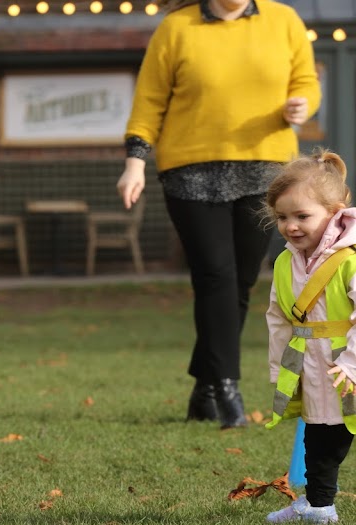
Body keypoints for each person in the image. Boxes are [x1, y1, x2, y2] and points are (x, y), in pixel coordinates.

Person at [116, 0, 321, 429]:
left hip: (266, 168)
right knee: (216, 276)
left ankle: (204, 386)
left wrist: (303, 104)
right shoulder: (177, 28)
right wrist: (135, 160)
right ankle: (227, 387)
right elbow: (149, 98)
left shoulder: (283, 20)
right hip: (189, 171)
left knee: (241, 280)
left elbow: (304, 79)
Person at [265, 150, 356, 525]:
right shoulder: (286, 263)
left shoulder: (349, 260)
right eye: (282, 217)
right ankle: (319, 507)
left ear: (334, 211)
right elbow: (278, 319)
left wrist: (351, 364)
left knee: (329, 435)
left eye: (302, 216)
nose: (291, 226)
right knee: (320, 435)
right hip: (316, 369)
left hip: (344, 366)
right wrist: (280, 372)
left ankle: (319, 505)